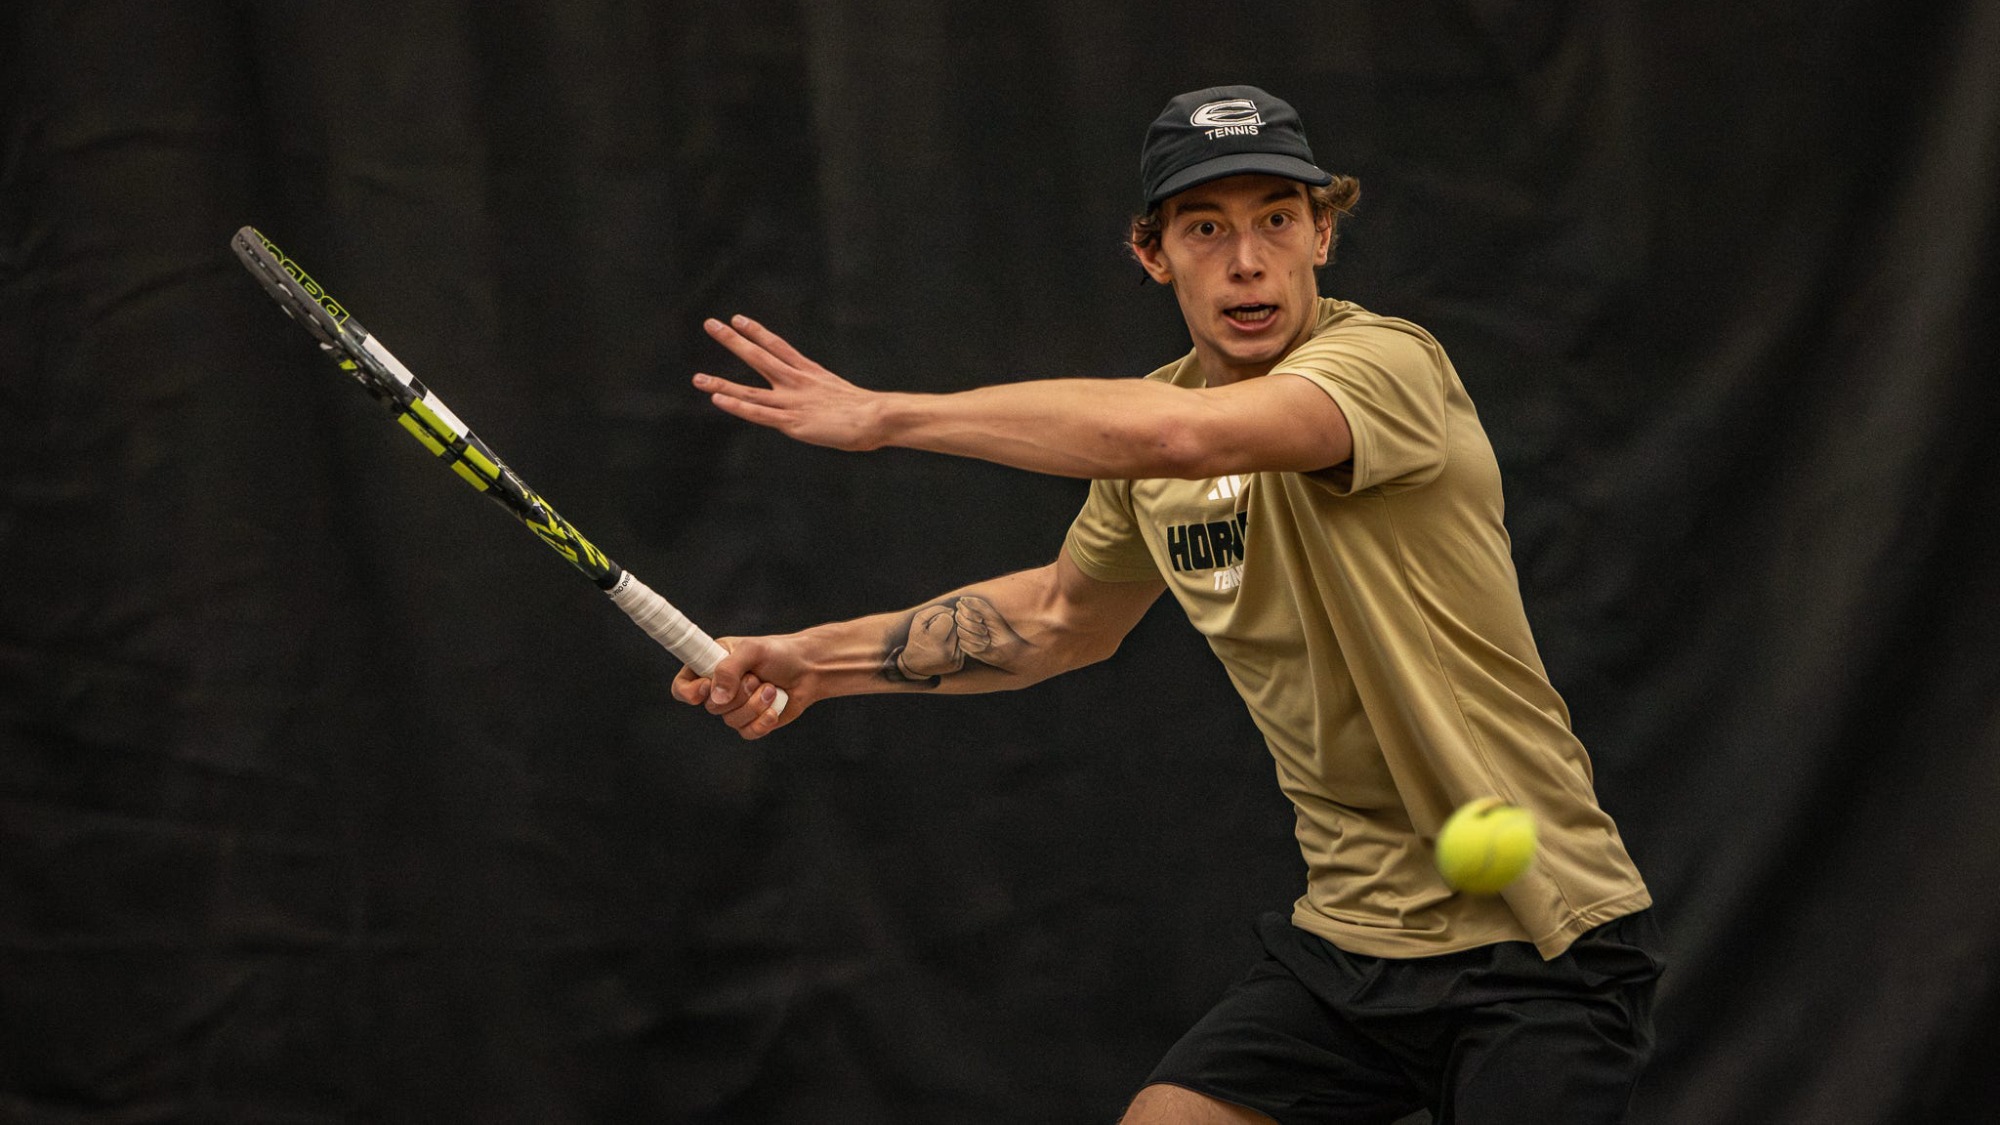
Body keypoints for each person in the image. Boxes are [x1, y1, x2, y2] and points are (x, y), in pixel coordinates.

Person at [672, 84, 1663, 1124]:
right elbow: (1061, 615)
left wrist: (885, 417)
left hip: (1539, 939)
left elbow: (1181, 436)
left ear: (1323, 235)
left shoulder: (1387, 366)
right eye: (1205, 228)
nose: (1247, 260)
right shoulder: (1151, 442)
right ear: (1153, 254)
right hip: (1351, 941)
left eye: (1276, 220)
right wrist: (813, 662)